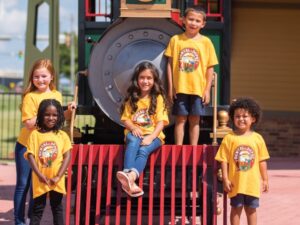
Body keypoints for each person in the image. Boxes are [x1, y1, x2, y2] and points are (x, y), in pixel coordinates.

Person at [13, 59, 74, 225]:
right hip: (28, 144)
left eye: (44, 76)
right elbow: (28, 123)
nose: (40, 80)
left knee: (36, 187)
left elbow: (58, 118)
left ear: (52, 77)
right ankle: (19, 221)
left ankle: (33, 220)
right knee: (23, 184)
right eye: (36, 76)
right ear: (32, 79)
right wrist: (48, 117)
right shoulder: (30, 97)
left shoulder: (56, 95)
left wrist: (69, 110)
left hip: (47, 147)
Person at [164, 7, 218, 145]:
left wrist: (206, 90)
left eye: (197, 21)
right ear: (183, 20)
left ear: (203, 24)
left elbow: (210, 68)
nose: (193, 23)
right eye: (191, 19)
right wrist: (171, 88)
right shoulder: (176, 40)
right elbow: (170, 65)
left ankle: (193, 149)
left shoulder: (206, 42)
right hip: (180, 87)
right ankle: (179, 148)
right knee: (180, 120)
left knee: (195, 120)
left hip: (198, 89)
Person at [116, 61, 169, 197]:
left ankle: (130, 177)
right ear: (137, 79)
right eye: (142, 77)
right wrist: (133, 127)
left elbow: (161, 122)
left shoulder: (158, 98)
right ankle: (129, 175)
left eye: (149, 78)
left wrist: (151, 137)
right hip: (135, 133)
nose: (145, 81)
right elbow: (125, 118)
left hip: (154, 136)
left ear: (154, 80)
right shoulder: (132, 98)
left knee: (144, 150)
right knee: (133, 142)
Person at [215, 97, 270, 225]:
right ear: (233, 119)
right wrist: (225, 179)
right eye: (237, 116)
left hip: (252, 184)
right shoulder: (229, 138)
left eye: (245, 116)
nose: (241, 119)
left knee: (251, 210)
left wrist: (265, 179)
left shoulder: (258, 138)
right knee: (235, 209)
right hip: (235, 183)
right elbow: (223, 160)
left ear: (253, 119)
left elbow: (262, 160)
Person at [24, 99, 71, 225]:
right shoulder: (34, 135)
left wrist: (58, 176)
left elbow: (67, 156)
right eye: (47, 114)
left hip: (57, 180)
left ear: (60, 116)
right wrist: (40, 175)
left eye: (55, 115)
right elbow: (30, 156)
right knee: (37, 209)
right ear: (40, 115)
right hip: (40, 180)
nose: (51, 118)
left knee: (57, 209)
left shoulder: (62, 135)